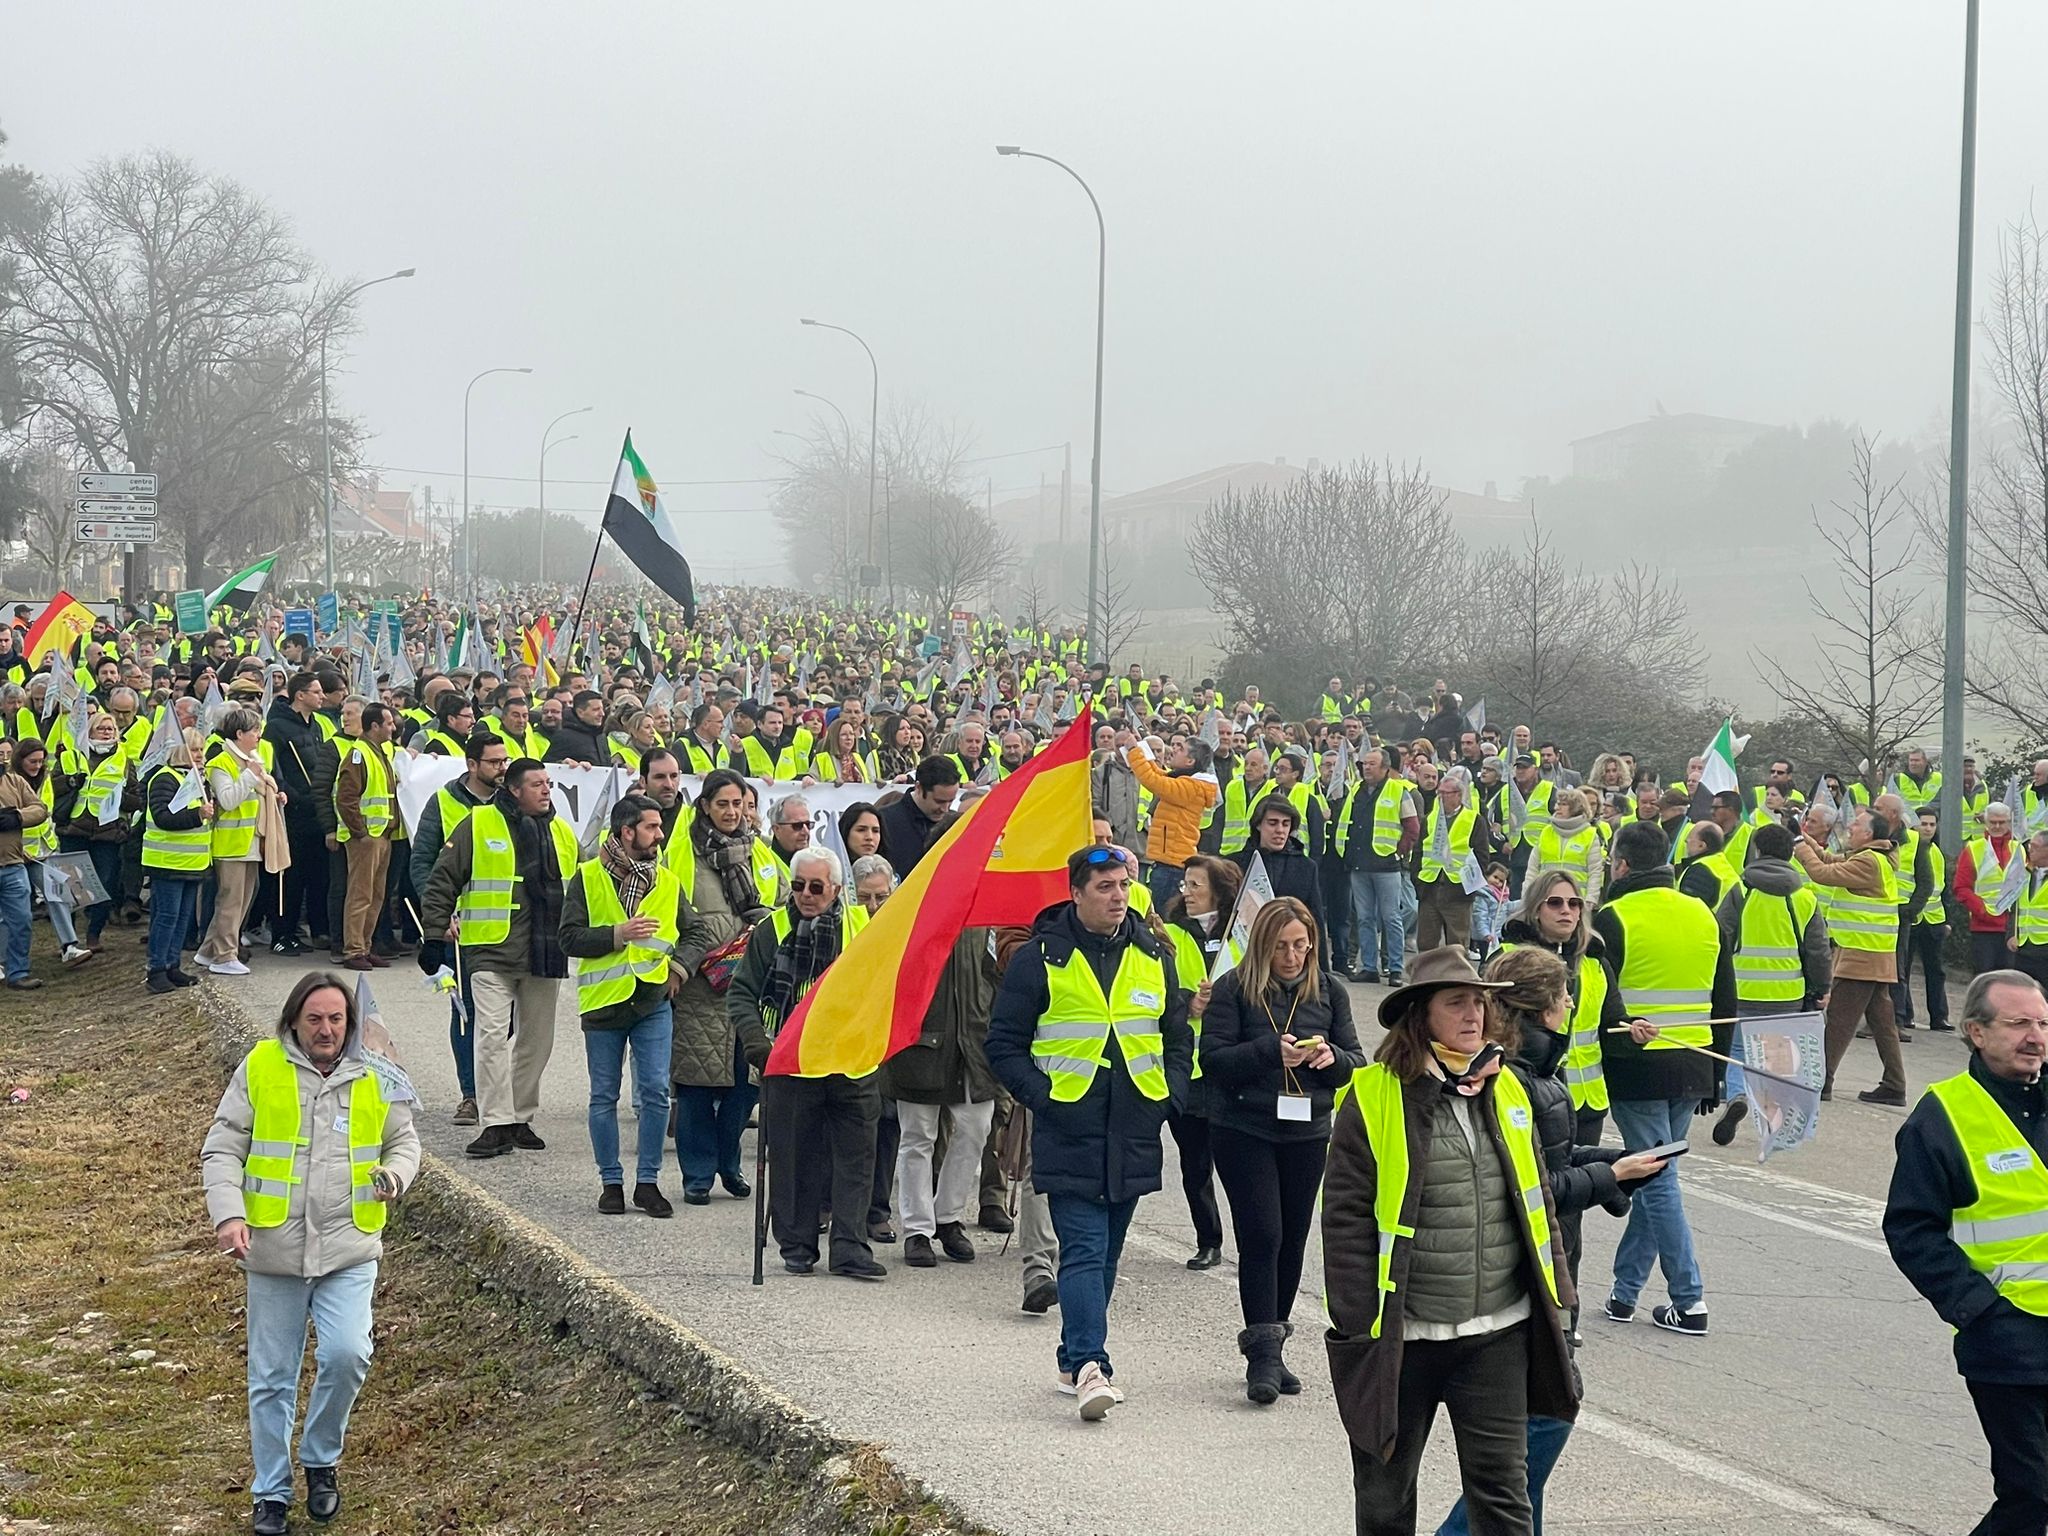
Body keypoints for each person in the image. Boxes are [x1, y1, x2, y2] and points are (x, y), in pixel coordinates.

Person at [1322, 946, 1578, 1534]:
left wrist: (1560, 1299)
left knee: (1504, 1496)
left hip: (1496, 1335)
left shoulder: (1507, 1088)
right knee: (1385, 1498)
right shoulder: (1374, 1095)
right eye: (1456, 1002)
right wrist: (1362, 1323)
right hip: (1404, 1338)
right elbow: (1345, 1220)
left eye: (1480, 1003)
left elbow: (1539, 1207)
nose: (1474, 1015)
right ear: (1421, 1015)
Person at [1434, 946, 1662, 1536]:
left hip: (1536, 1270)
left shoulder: (1535, 1074)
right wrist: (1612, 1177)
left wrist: (1614, 1161)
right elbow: (1531, 1186)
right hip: (1519, 1276)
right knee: (1541, 1427)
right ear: (1546, 1008)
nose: (1569, 1004)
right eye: (1564, 996)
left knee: (1531, 1443)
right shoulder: (1515, 1079)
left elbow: (1551, 1160)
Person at [202, 973, 420, 1536]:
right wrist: (229, 1214)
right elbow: (223, 1146)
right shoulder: (260, 1066)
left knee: (348, 1355)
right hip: (272, 1252)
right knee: (272, 1378)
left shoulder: (378, 1073)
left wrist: (395, 1175)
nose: (326, 1030)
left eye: (337, 1019)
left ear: (349, 1023)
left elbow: (405, 1141)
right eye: (315, 1019)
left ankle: (321, 1460)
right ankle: (270, 1494)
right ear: (295, 1020)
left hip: (349, 1248)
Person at [986, 844, 1195, 1419]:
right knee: (1081, 1249)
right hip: (1069, 1122)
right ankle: (1090, 1365)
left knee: (1105, 1256)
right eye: (1104, 887)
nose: (1118, 897)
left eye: (1123, 886)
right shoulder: (1040, 957)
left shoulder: (1155, 953)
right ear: (1076, 893)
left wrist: (1169, 1098)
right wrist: (1044, 1097)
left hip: (1134, 1125)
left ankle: (1068, 1356)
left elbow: (1177, 1038)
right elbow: (1002, 1045)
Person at [1884, 969, 2048, 1536]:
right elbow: (1911, 1229)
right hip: (2009, 1342)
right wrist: (1979, 1311)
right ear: (1976, 1032)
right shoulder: (1944, 1115)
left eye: (2043, 1023)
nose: (2036, 1036)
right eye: (2019, 1023)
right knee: (2033, 1497)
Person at [1199, 896, 1365, 1403]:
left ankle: (1276, 1341)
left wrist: (1330, 1058)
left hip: (1307, 1129)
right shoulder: (1233, 989)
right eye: (1282, 947)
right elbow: (1213, 1060)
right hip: (1244, 1126)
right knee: (1263, 1233)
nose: (1292, 956)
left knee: (1293, 1237)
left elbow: (1355, 1059)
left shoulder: (1329, 990)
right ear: (1262, 946)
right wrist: (1270, 1050)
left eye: (1300, 945)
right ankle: (1262, 1357)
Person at [1592, 819, 1735, 1336]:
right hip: (1695, 1060)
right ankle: (1624, 1293)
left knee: (1656, 1181)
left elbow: (1602, 1001)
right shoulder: (1702, 912)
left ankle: (1689, 1298)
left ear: (1623, 865)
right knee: (1659, 1176)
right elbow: (1726, 999)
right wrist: (1717, 1074)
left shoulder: (1612, 916)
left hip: (1638, 1065)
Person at [730, 844, 882, 1278]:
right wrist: (757, 1043)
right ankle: (796, 1245)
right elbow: (742, 992)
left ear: (836, 889)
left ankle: (850, 1246)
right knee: (793, 1157)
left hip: (851, 1061)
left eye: (816, 887)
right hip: (791, 1063)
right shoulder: (772, 930)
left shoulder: (863, 926)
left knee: (856, 1158)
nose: (806, 894)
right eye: (798, 886)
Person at [420, 758, 577, 1158]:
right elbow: (443, 879)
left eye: (548, 783)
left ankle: (520, 1117)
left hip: (545, 952)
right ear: (514, 789)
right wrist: (434, 935)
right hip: (490, 950)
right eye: (537, 784)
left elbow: (578, 891)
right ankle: (495, 1123)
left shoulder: (561, 831)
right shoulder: (479, 822)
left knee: (536, 1042)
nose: (546, 790)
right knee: (490, 1037)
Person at [561, 792, 681, 1218]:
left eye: (659, 826)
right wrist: (617, 934)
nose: (659, 834)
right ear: (627, 831)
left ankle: (647, 1183)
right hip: (604, 1005)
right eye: (651, 826)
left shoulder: (666, 880)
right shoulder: (588, 876)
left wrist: (680, 969)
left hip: (651, 1001)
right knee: (603, 1097)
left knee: (655, 1093)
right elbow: (568, 938)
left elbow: (695, 931)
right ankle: (610, 1182)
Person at [668, 768, 780, 1204]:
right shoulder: (681, 854)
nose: (732, 812)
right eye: (723, 804)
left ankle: (727, 1162)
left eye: (739, 804)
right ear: (705, 807)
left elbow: (785, 903)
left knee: (746, 1085)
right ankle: (697, 1174)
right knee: (697, 1086)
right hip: (701, 986)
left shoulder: (762, 854)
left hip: (754, 987)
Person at [881, 906, 1002, 1268]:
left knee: (976, 1128)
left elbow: (993, 978)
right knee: (918, 1135)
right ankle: (918, 1229)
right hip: (922, 1042)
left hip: (973, 1045)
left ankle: (947, 1216)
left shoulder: (983, 920)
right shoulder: (914, 912)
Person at [408, 729, 509, 1128]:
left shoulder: (510, 802)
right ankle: (471, 1094)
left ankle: (495, 1087)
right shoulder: (444, 803)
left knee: (505, 1018)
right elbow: (422, 864)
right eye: (495, 762)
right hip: (460, 932)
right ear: (472, 764)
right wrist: (439, 917)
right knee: (467, 1013)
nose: (503, 769)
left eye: (505, 762)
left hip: (506, 930)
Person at [1710, 821, 1831, 1146]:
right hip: (1786, 995)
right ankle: (1773, 1119)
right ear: (1791, 854)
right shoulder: (1804, 898)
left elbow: (1721, 936)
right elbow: (1818, 950)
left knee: (1736, 1050)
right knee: (1776, 1056)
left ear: (1757, 851)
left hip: (1741, 991)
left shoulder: (1740, 890)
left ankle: (1737, 1095)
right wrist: (1822, 988)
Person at [1793, 804, 1908, 1106]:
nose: (1850, 827)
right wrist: (1804, 840)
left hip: (1861, 954)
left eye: (1856, 825)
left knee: (1839, 1020)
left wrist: (1797, 847)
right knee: (1882, 1023)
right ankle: (1895, 1084)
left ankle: (1821, 1081)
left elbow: (1821, 873)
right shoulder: (1871, 857)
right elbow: (1829, 859)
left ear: (1869, 834)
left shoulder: (1868, 861)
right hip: (1872, 953)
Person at [1162, 853, 1240, 1270]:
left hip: (1230, 1065)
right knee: (1195, 1161)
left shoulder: (1242, 935)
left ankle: (1253, 1239)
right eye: (1184, 885)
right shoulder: (1170, 933)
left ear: (1218, 890)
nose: (1187, 893)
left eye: (1195, 885)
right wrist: (1187, 1004)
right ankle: (1208, 1238)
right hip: (1187, 1066)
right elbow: (1154, 990)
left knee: (1240, 1163)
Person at [197, 707, 282, 977]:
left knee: (242, 899)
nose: (259, 735)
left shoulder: (252, 759)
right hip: (231, 843)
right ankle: (224, 955)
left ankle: (208, 950)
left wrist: (273, 796)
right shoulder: (220, 763)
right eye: (254, 730)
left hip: (251, 842)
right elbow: (228, 799)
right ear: (239, 734)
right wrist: (250, 776)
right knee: (231, 901)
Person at [1337, 748, 1419, 983]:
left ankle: (1394, 968)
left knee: (1391, 917)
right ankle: (1370, 967)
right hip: (1359, 864)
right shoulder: (1357, 790)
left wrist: (1397, 853)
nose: (1367, 768)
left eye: (1372, 764)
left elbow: (1412, 828)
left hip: (1386, 866)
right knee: (1364, 919)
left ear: (1385, 768)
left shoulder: (1398, 790)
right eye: (1365, 764)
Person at [142, 725, 214, 993]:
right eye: (194, 749)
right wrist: (198, 815)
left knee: (182, 918)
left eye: (201, 750)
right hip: (166, 861)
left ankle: (172, 965)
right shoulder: (165, 778)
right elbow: (163, 817)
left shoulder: (197, 779)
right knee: (166, 917)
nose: (199, 755)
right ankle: (156, 968)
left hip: (191, 863)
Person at [265, 672, 331, 955]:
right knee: (289, 880)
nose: (322, 696)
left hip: (316, 811)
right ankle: (281, 933)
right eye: (316, 692)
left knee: (315, 877)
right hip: (292, 813)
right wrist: (292, 795)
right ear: (300, 695)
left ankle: (308, 931)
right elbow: (271, 768)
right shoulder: (276, 728)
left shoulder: (316, 725)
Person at [334, 703, 398, 971]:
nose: (393, 727)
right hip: (366, 836)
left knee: (376, 894)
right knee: (361, 894)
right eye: (389, 723)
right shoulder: (358, 754)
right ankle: (354, 949)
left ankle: (365, 945)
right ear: (375, 726)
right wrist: (359, 831)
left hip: (380, 833)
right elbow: (346, 797)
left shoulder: (379, 751)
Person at [1125, 732, 1219, 909]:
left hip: (1171, 868)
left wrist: (1132, 751)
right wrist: (1140, 746)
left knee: (1160, 920)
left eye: (1181, 748)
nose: (1174, 749)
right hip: (1169, 864)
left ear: (1190, 761)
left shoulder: (1191, 787)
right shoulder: (1187, 782)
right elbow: (1159, 773)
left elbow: (1152, 781)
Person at [1231, 792, 1326, 935]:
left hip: (1289, 950)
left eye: (1285, 824)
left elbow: (1314, 921)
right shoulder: (1234, 865)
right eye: (1272, 823)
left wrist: (1318, 957)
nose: (1280, 830)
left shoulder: (1306, 867)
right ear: (1258, 824)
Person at [1897, 804, 1951, 1033]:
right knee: (1904, 970)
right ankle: (1906, 1014)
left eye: (1932, 824)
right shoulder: (1907, 848)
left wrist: (1947, 919)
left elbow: (1943, 887)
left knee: (1936, 970)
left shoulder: (1936, 851)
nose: (1928, 828)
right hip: (1912, 917)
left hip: (1933, 919)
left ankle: (1938, 1017)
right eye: (1924, 824)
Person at [1414, 767, 1480, 953]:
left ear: (1459, 795)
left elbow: (1481, 857)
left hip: (1458, 890)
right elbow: (1418, 851)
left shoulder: (1473, 819)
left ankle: (1456, 981)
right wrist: (1417, 880)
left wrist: (1469, 888)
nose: (1441, 797)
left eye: (1446, 793)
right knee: (1426, 944)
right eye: (1439, 793)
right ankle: (1427, 980)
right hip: (1430, 887)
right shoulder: (1430, 818)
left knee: (1457, 945)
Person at [1959, 802, 2025, 978]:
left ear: (2009, 822)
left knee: (2009, 980)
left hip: (2012, 928)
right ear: (1986, 822)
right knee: (1984, 979)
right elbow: (1961, 887)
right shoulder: (1974, 848)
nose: (1997, 826)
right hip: (1984, 926)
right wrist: (1982, 911)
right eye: (1993, 822)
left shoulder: (2018, 849)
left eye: (2002, 822)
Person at [878, 754, 964, 879]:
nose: (945, 809)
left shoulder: (954, 823)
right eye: (939, 801)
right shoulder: (885, 820)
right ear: (918, 787)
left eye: (950, 801)